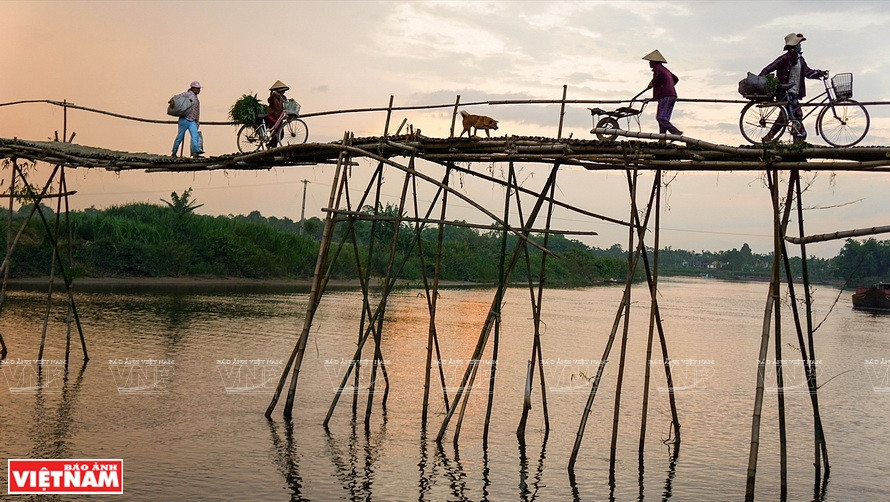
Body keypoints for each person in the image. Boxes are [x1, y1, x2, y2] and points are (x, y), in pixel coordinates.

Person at [758, 33, 826, 142]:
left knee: (784, 117)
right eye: (799, 44)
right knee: (797, 113)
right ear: (794, 47)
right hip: (784, 91)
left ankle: (769, 137)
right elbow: (770, 67)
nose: (800, 46)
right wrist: (761, 78)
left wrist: (819, 73)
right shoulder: (785, 58)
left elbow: (807, 72)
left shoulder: (801, 60)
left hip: (794, 92)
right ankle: (800, 136)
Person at [643, 49, 683, 138]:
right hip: (671, 95)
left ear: (654, 62)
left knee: (660, 118)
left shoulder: (658, 68)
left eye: (650, 61)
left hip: (665, 96)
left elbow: (659, 75)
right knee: (664, 119)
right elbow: (675, 79)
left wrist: (653, 82)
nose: (649, 63)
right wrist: (667, 85)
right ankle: (662, 138)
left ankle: (675, 132)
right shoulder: (665, 69)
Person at [171, 81, 203, 157]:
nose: (199, 90)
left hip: (192, 120)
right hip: (184, 119)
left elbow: (197, 111)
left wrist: (197, 122)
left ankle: (196, 152)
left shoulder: (196, 98)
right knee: (180, 137)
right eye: (198, 89)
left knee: (195, 136)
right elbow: (176, 97)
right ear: (193, 88)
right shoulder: (187, 94)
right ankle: (174, 152)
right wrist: (172, 101)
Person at [266, 80, 289, 148]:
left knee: (280, 135)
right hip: (272, 117)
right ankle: (271, 147)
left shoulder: (283, 97)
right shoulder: (273, 97)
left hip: (279, 117)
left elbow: (286, 104)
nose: (283, 92)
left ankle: (270, 145)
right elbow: (271, 102)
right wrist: (274, 96)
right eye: (282, 90)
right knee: (274, 134)